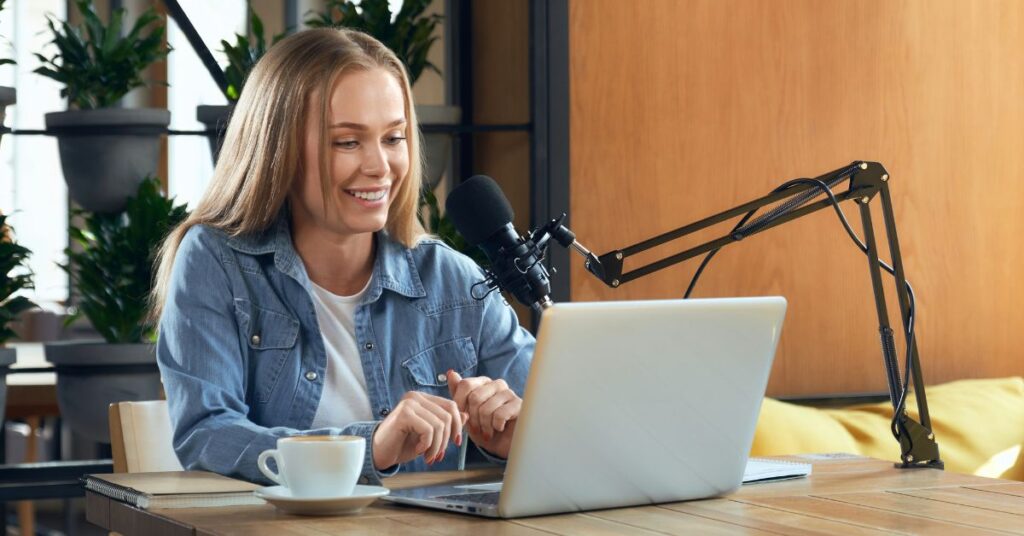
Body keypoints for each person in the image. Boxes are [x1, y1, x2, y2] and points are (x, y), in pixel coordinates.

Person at [149, 28, 534, 485]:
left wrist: (519, 440)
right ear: (280, 150)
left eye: (393, 138)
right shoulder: (217, 261)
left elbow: (566, 428)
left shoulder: (450, 278)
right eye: (347, 142)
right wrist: (369, 447)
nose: (379, 166)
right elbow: (208, 435)